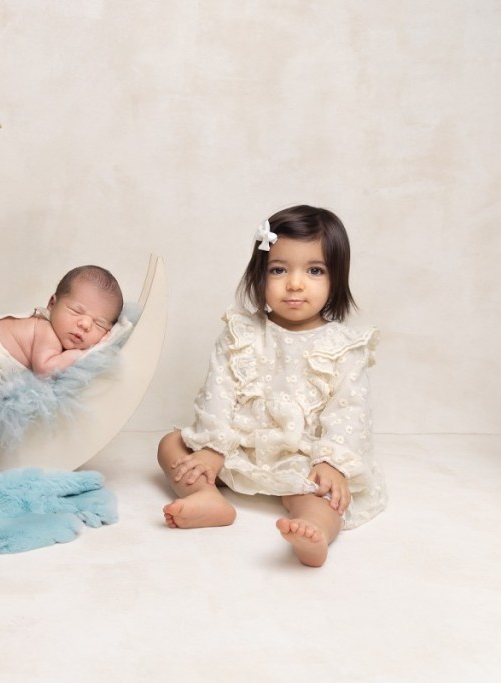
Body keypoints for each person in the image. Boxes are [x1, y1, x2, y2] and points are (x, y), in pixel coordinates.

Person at [157, 205, 387, 567]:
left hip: (303, 457)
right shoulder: (242, 333)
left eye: (314, 270)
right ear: (259, 276)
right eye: (279, 270)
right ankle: (207, 499)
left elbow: (349, 410)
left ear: (336, 279)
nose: (295, 283)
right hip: (238, 447)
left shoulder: (342, 347)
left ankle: (313, 531)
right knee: (171, 445)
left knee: (322, 496)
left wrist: (332, 464)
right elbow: (219, 391)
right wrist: (213, 448)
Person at [0, 265, 123, 480]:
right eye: (76, 311)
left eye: (99, 324)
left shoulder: (58, 331)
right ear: (52, 303)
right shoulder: (46, 331)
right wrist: (75, 355)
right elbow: (44, 369)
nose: (85, 324)